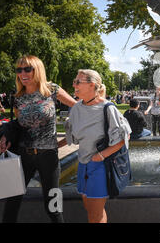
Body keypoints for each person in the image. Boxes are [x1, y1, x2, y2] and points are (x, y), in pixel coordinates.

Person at [0, 55, 76, 223]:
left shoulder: (52, 89)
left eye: (27, 69)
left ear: (37, 69)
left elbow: (77, 108)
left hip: (48, 156)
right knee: (11, 204)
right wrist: (6, 137)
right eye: (19, 70)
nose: (22, 73)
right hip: (23, 155)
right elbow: (19, 124)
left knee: (53, 207)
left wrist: (69, 136)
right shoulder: (18, 96)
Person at [64, 69, 131, 223]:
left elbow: (123, 138)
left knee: (95, 213)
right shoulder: (76, 108)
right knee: (92, 210)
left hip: (100, 165)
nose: (74, 85)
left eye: (78, 82)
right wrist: (54, 145)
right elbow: (73, 137)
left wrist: (99, 156)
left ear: (91, 85)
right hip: (83, 163)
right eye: (75, 81)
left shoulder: (108, 108)